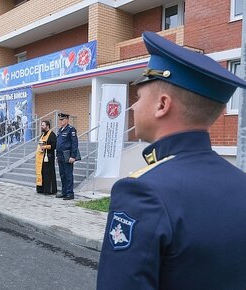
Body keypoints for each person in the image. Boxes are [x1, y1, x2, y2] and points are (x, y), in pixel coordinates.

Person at [97, 31, 246, 290]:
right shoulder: (240, 182)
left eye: (139, 97)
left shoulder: (142, 192)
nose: (132, 107)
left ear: (162, 105)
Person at [55, 112, 80, 200]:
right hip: (61, 155)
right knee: (62, 175)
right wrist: (57, 156)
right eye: (60, 120)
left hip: (67, 155)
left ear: (67, 120)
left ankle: (70, 193)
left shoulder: (71, 129)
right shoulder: (60, 130)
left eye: (62, 119)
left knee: (68, 175)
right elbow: (58, 144)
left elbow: (74, 143)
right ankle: (64, 191)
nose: (61, 121)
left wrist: (73, 156)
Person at [35, 120, 57, 195]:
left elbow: (54, 145)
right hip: (41, 157)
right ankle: (42, 189)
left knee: (48, 174)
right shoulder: (43, 134)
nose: (41, 127)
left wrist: (45, 147)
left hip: (48, 157)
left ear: (47, 126)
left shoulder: (52, 135)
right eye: (41, 125)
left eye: (43, 125)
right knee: (42, 173)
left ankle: (49, 190)